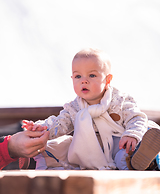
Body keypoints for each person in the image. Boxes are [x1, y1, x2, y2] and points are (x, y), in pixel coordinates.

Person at [23, 48, 160, 170]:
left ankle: (146, 155)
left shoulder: (119, 100)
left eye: (92, 75)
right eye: (78, 76)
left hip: (126, 141)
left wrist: (132, 134)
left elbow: (137, 118)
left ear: (107, 80)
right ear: (72, 79)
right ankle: (138, 163)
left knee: (131, 148)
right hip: (107, 152)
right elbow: (60, 124)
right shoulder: (74, 108)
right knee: (120, 160)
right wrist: (41, 127)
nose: (84, 80)